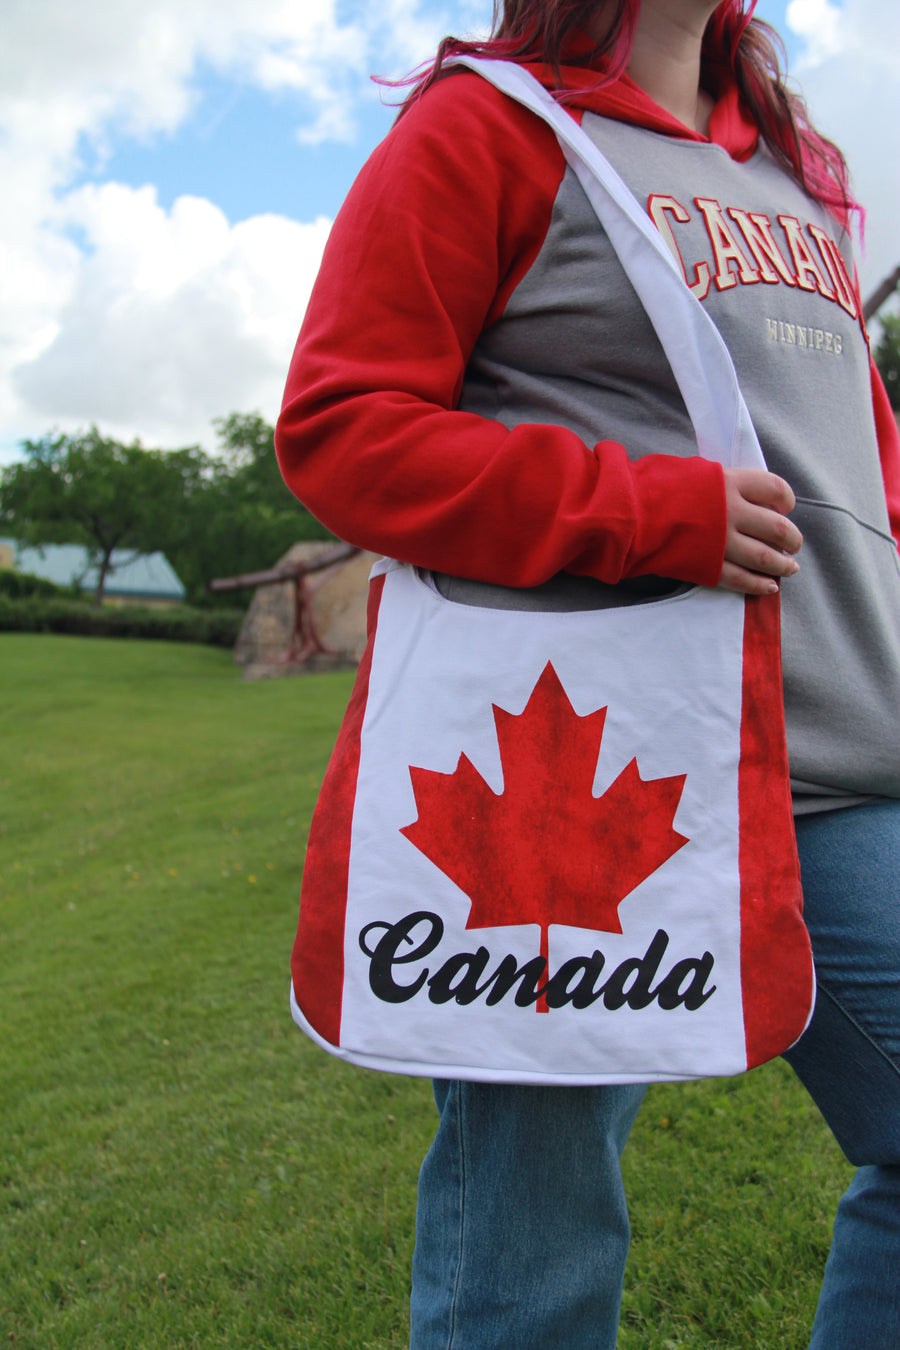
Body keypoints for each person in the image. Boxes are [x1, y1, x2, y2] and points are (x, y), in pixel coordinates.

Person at [275, 1, 900, 1345]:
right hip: (581, 775)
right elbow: (342, 429)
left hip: (847, 757)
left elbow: (863, 477)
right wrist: (643, 508)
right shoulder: (482, 130)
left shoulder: (795, 170)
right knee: (531, 1264)